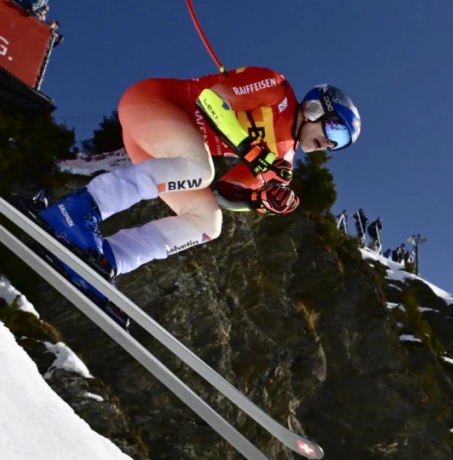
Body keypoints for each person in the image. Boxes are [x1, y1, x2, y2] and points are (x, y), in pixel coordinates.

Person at [32, 68, 361, 292]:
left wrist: (257, 201)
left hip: (160, 150)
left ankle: (108, 259)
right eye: (335, 130)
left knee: (208, 222)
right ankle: (79, 209)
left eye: (341, 143)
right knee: (199, 169)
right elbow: (211, 101)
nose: (331, 144)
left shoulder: (282, 159)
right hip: (155, 104)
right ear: (316, 109)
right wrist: (252, 151)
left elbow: (225, 193)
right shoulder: (277, 89)